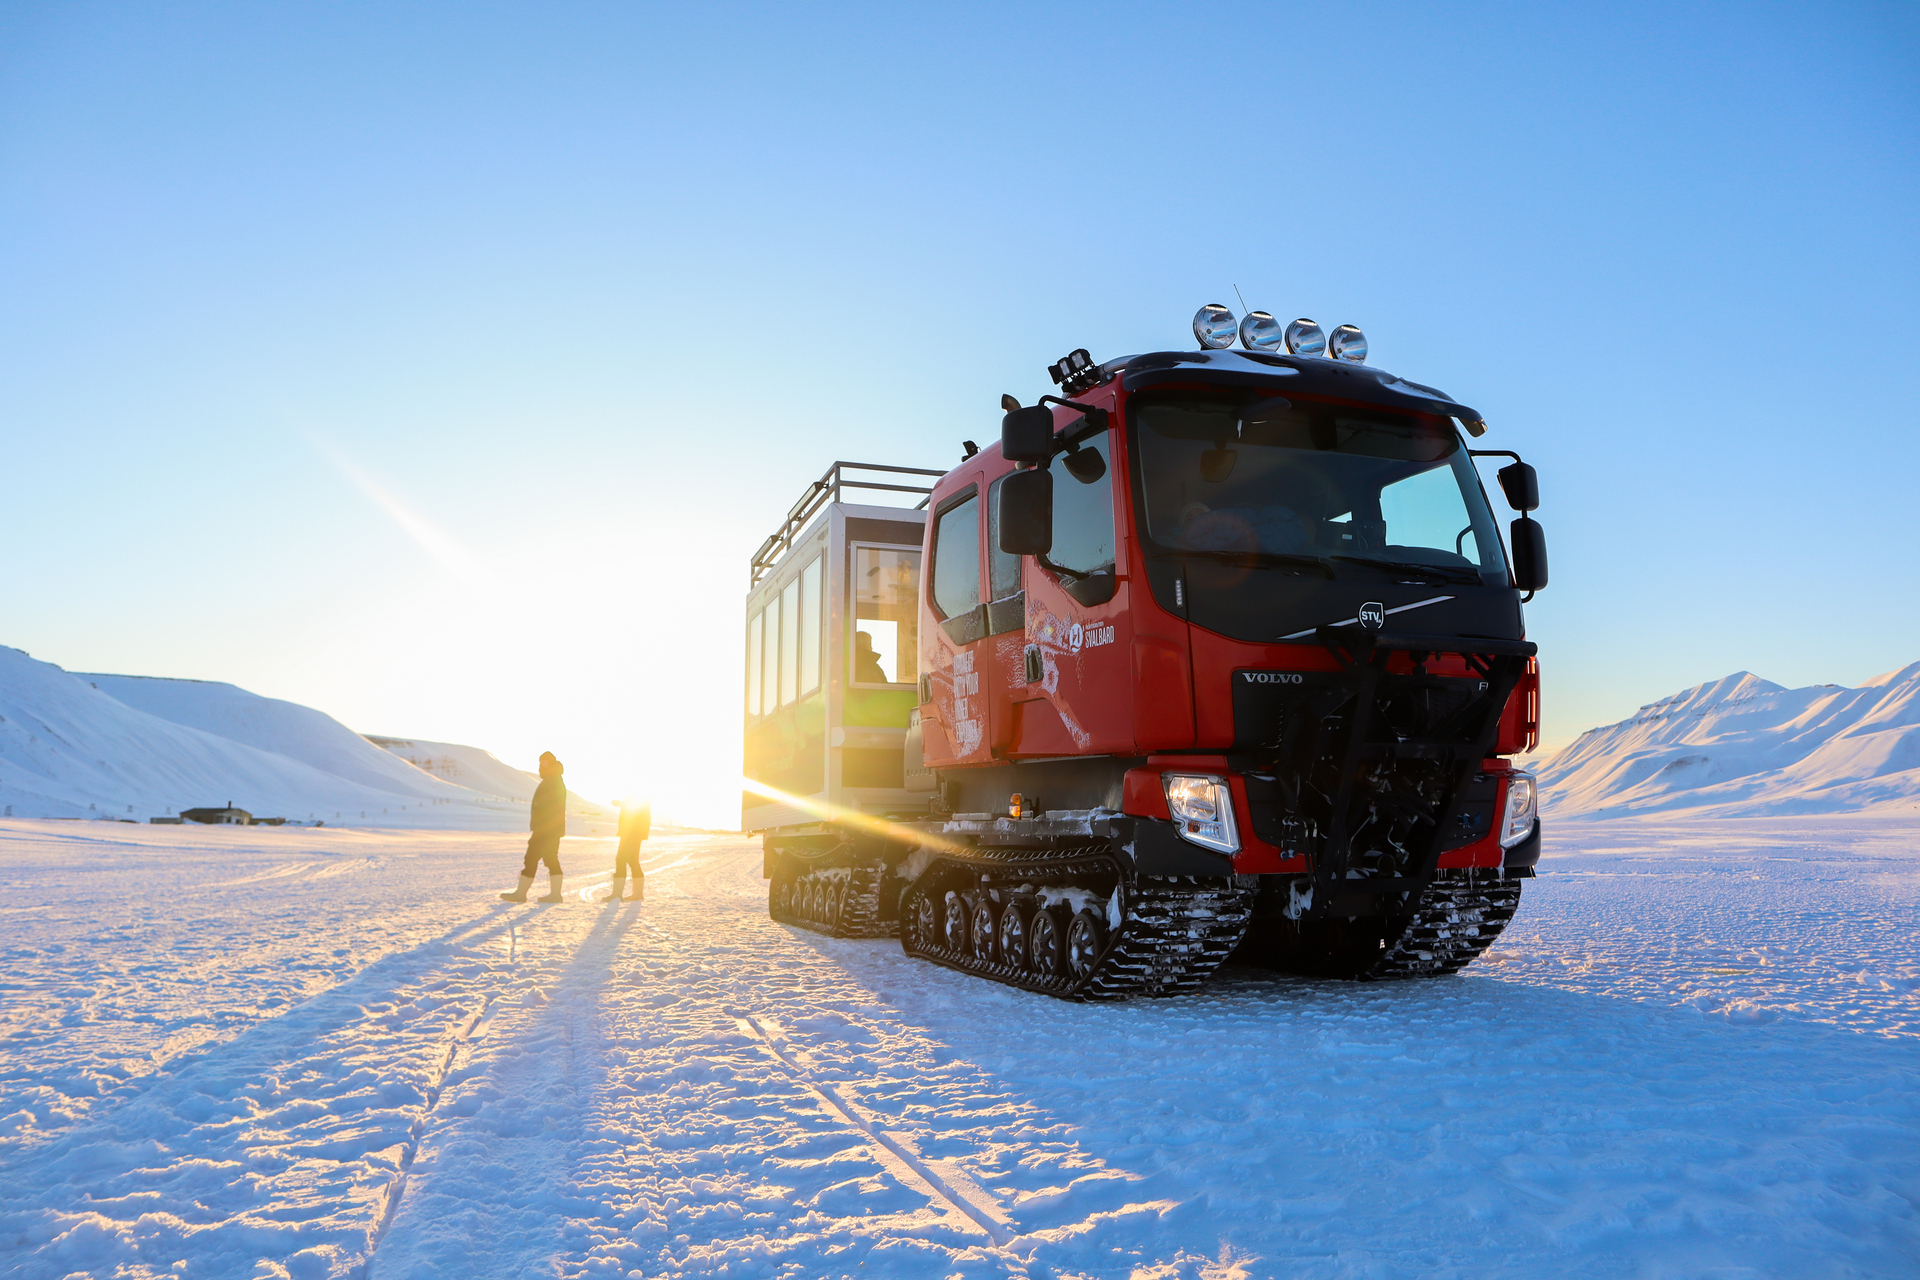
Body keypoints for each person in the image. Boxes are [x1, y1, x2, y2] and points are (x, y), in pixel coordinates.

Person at [501, 751, 567, 903]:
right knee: (550, 859)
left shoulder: (553, 780)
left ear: (551, 763)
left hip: (546, 828)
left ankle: (520, 894)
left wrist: (542, 827)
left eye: (545, 761)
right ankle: (555, 895)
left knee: (531, 858)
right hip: (549, 828)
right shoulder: (553, 779)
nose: (542, 764)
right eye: (541, 761)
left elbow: (550, 806)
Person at [609, 797, 650, 904]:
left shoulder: (638, 790)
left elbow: (635, 807)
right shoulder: (641, 791)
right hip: (636, 832)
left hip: (631, 832)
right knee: (632, 861)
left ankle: (617, 894)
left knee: (621, 860)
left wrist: (622, 804)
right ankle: (637, 894)